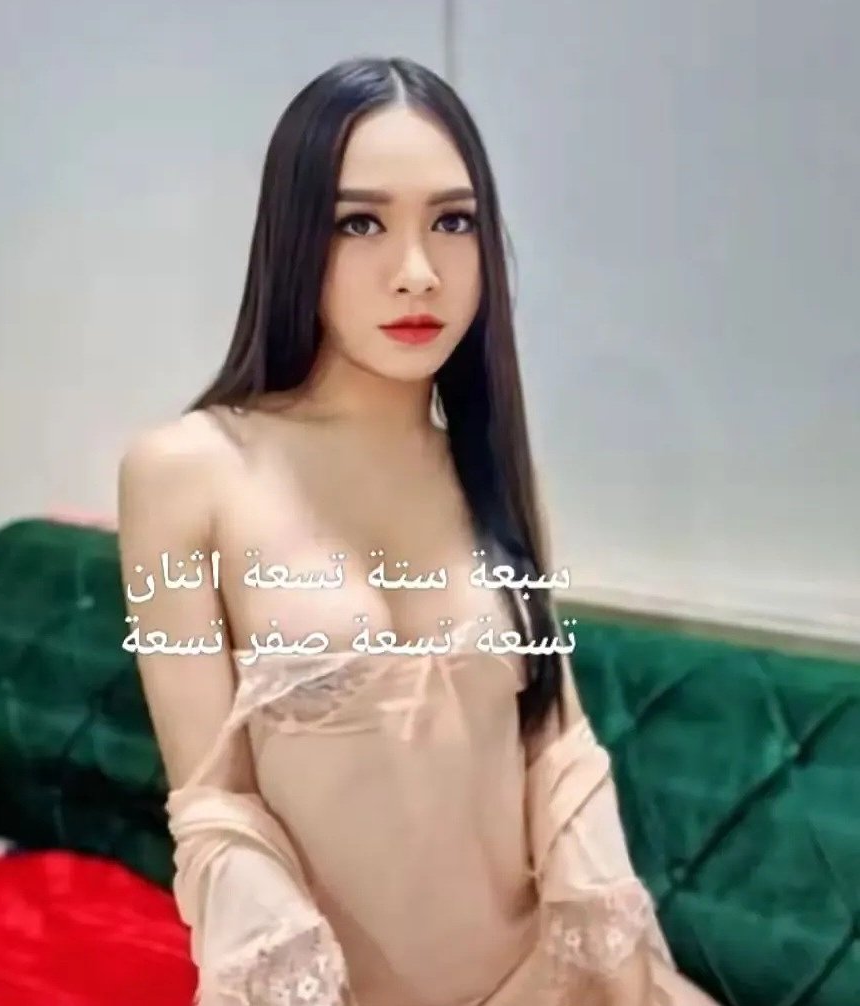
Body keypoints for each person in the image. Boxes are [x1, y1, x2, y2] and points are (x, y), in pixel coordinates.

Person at [117, 56, 721, 1006]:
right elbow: (216, 807)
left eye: (453, 221)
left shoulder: (495, 466)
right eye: (360, 223)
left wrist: (624, 967)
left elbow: (556, 747)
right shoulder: (188, 472)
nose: (417, 273)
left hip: (549, 981)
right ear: (293, 238)